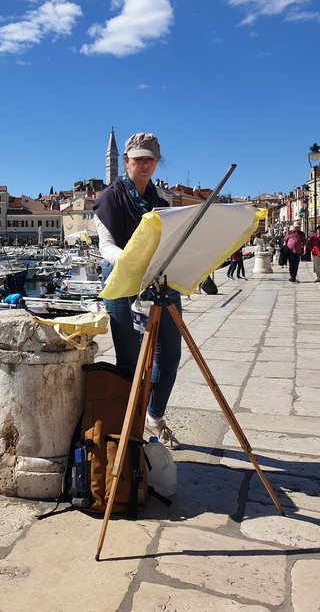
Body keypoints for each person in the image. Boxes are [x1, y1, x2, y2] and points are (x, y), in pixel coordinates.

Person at [94, 132, 181, 449]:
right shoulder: (109, 199)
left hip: (158, 278)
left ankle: (154, 417)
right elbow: (106, 246)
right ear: (126, 161)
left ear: (156, 163)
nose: (144, 164)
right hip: (120, 277)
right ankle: (127, 426)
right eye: (138, 158)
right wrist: (132, 262)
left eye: (150, 159)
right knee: (129, 359)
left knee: (170, 354)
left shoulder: (163, 202)